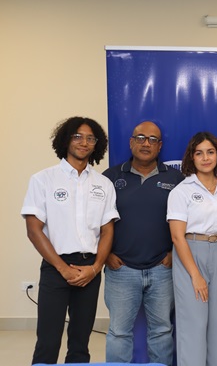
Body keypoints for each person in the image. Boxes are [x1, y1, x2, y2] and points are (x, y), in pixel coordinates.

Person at [21, 116, 119, 364]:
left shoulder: (104, 184)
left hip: (90, 268)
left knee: (80, 340)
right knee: (48, 339)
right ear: (66, 140)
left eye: (90, 138)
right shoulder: (43, 179)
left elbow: (107, 230)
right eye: (77, 136)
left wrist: (96, 268)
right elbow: (34, 230)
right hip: (56, 268)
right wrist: (63, 268)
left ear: (96, 144)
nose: (84, 142)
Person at [103, 120, 184, 365]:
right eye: (140, 138)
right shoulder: (110, 177)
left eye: (152, 139)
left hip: (162, 268)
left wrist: (173, 254)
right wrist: (105, 255)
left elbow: (187, 221)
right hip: (121, 269)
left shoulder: (177, 179)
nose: (146, 143)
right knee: (118, 332)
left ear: (160, 146)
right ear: (131, 142)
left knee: (161, 331)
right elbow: (94, 221)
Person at [167, 132, 217, 366]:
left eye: (210, 152)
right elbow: (177, 237)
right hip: (191, 253)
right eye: (199, 153)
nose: (205, 158)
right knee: (194, 325)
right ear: (191, 158)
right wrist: (195, 275)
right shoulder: (182, 191)